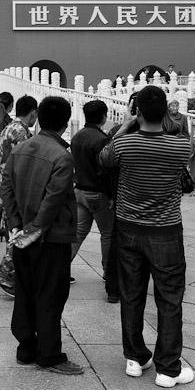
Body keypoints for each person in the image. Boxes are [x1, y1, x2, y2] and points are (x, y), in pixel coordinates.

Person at [99, 85, 193, 388]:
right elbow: (186, 180)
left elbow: (104, 159)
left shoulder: (124, 144)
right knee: (169, 299)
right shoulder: (182, 146)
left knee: (131, 295)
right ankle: (168, 368)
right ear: (166, 111)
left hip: (128, 229)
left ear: (136, 111)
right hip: (165, 232)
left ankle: (135, 357)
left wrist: (126, 125)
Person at [0, 96, 82, 375]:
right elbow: (54, 199)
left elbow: (5, 187)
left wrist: (15, 225)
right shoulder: (62, 155)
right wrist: (34, 230)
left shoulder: (21, 149)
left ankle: (26, 347)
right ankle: (49, 355)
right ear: (65, 122)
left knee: (25, 291)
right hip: (50, 237)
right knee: (50, 295)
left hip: (21, 233)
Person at [70, 100, 119, 303]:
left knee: (78, 233)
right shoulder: (101, 139)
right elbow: (104, 171)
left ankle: (61, 268)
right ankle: (109, 272)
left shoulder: (77, 136)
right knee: (107, 234)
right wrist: (111, 195)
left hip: (79, 190)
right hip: (98, 194)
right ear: (103, 117)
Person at [0, 95, 38, 297]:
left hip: (5, 184)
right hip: (15, 187)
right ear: (33, 113)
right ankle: (5, 274)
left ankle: (13, 274)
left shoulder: (8, 127)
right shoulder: (20, 132)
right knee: (20, 232)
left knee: (14, 230)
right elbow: (24, 164)